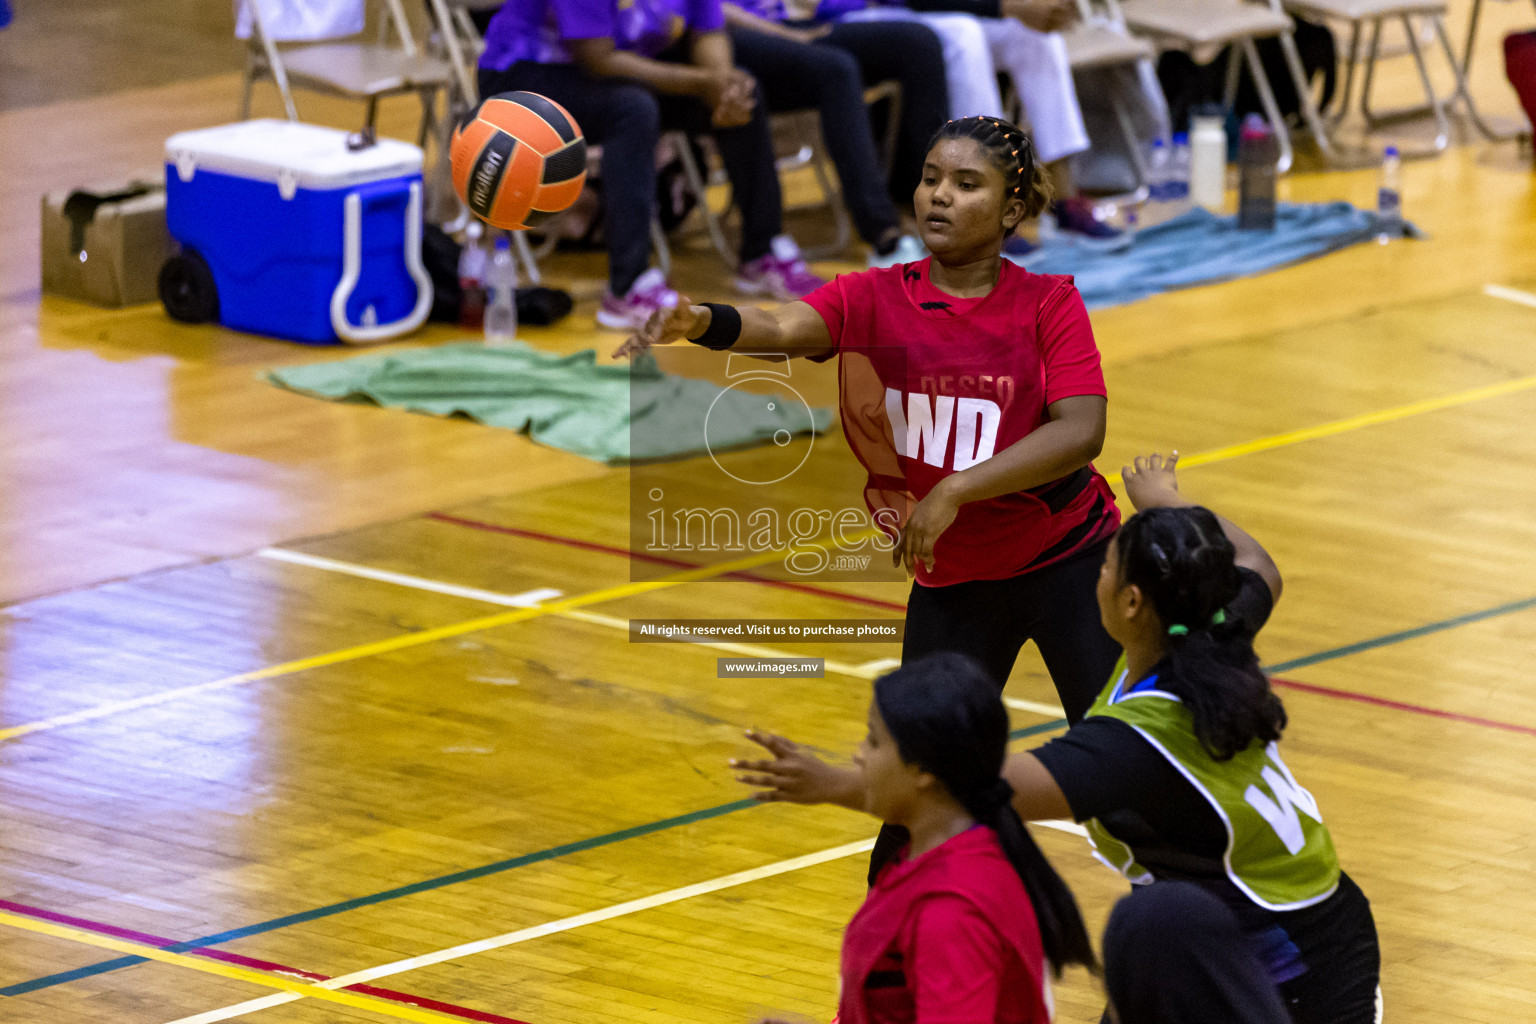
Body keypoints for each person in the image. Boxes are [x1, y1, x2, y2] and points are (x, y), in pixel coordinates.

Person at [734, 452, 1385, 1024]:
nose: (1092, 577)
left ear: (1131, 604)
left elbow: (965, 787)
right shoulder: (1209, 636)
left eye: (1103, 565)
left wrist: (833, 784)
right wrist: (1167, 506)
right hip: (1242, 933)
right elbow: (1257, 566)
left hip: (1288, 969)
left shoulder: (1132, 746)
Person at [616, 114, 1123, 728]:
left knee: (1123, 778)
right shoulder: (872, 297)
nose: (940, 195)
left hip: (1069, 560)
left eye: (967, 184)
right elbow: (780, 330)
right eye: (931, 178)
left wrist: (956, 488)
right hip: (953, 578)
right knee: (923, 785)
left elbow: (1080, 431)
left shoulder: (1049, 302)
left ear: (1011, 211)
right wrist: (701, 321)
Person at [749, 653, 1097, 1024]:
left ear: (924, 771)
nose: (858, 754)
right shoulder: (943, 856)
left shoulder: (951, 912)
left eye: (873, 740)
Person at [477, 0, 827, 330]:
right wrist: (701, 82)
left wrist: (722, 82)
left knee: (742, 91)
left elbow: (708, 29)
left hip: (618, 65)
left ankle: (761, 253)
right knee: (631, 109)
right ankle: (627, 288)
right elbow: (597, 59)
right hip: (524, 72)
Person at [823, 0, 1123, 245]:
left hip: (948, 9)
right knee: (965, 37)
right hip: (865, 12)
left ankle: (1063, 196)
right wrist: (1008, 6)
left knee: (1032, 35)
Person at [720, 2, 947, 266]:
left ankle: (937, 211)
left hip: (790, 22)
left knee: (920, 43)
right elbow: (710, 12)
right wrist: (788, 35)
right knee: (837, 69)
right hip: (728, 38)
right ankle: (885, 237)